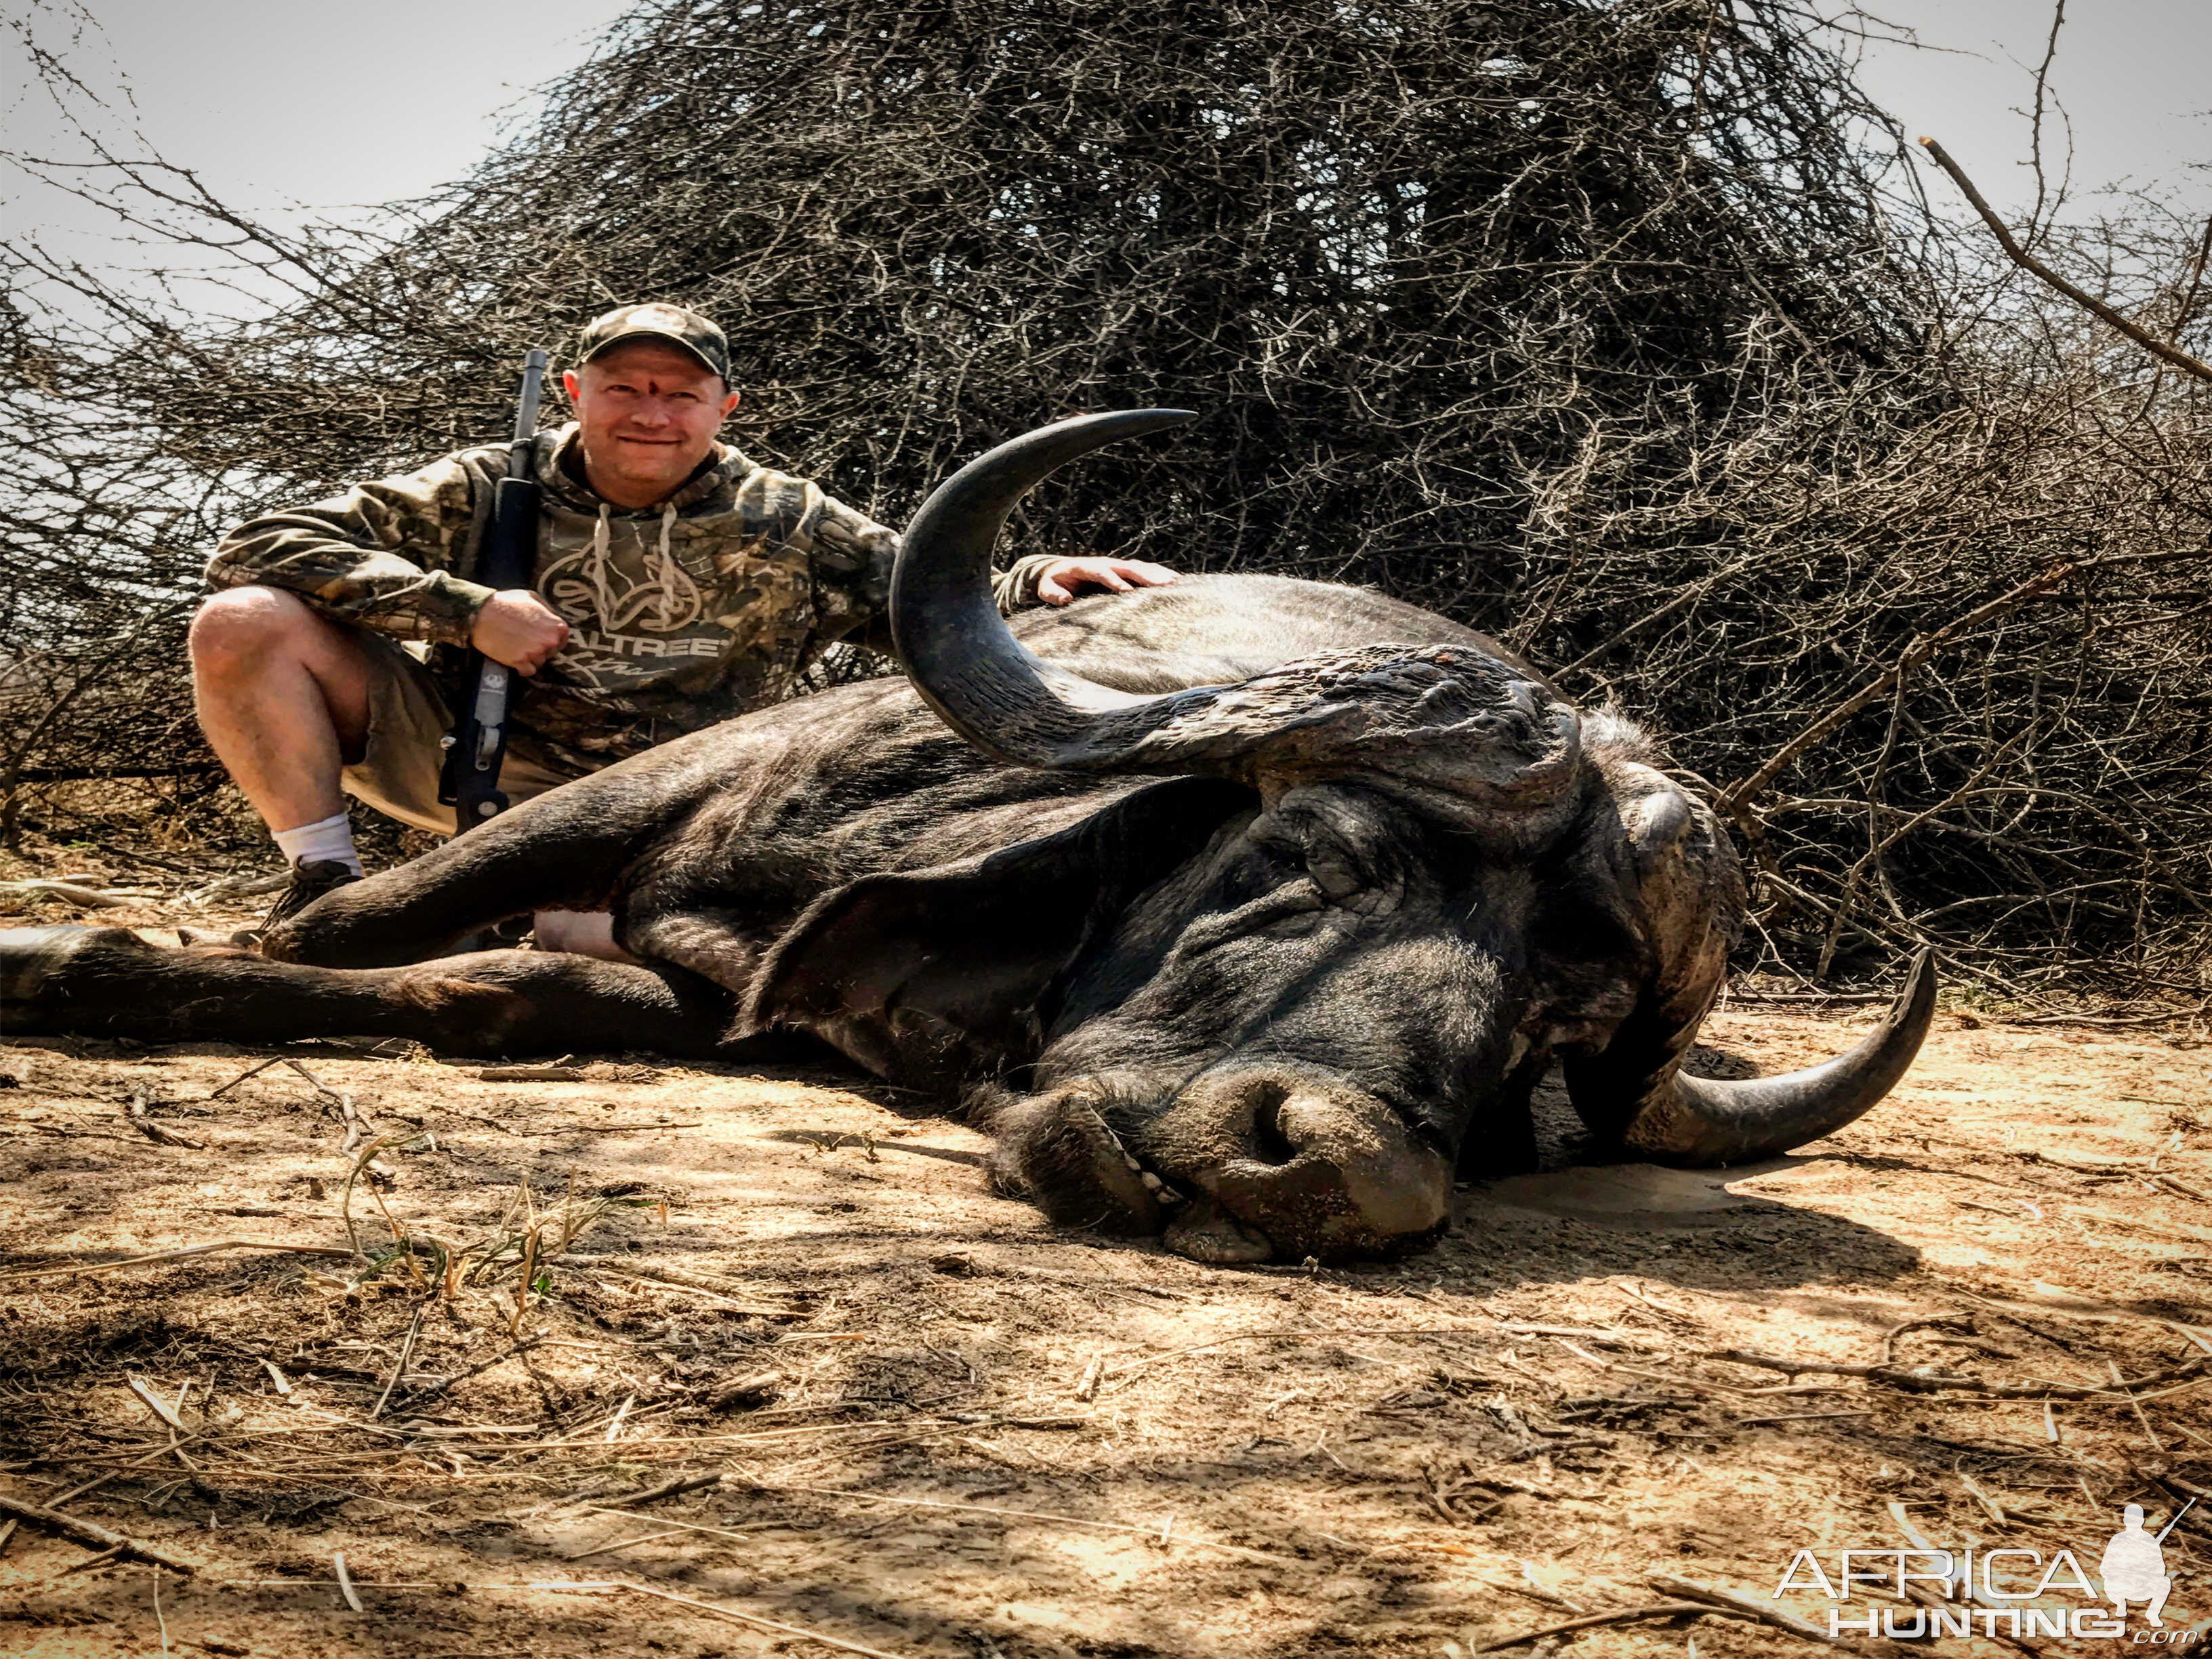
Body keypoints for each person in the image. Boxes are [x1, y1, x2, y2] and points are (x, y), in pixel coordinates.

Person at [192, 303, 1176, 944]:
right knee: (243, 621)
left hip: (671, 814)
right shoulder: (491, 483)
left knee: (597, 948)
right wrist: (466, 612)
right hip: (463, 763)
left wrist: (1043, 578)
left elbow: (925, 597)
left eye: (679, 393)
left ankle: (511, 913)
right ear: (578, 394)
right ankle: (323, 879)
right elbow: (259, 542)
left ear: (724, 406)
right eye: (623, 388)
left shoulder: (786, 513)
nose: (649, 413)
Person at [2098, 1503, 2171, 1625]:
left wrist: (2145, 1572)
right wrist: (2122, 1571)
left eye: (2136, 1520)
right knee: (2109, 1582)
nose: (2133, 1523)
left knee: (2165, 1582)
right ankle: (2121, 1605)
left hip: (2143, 1586)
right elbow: (2105, 1568)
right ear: (2125, 1520)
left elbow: (2161, 1569)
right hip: (2121, 1585)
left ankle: (2153, 1614)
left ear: (2142, 1521)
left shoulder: (2149, 1540)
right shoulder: (2118, 1539)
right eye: (2130, 1520)